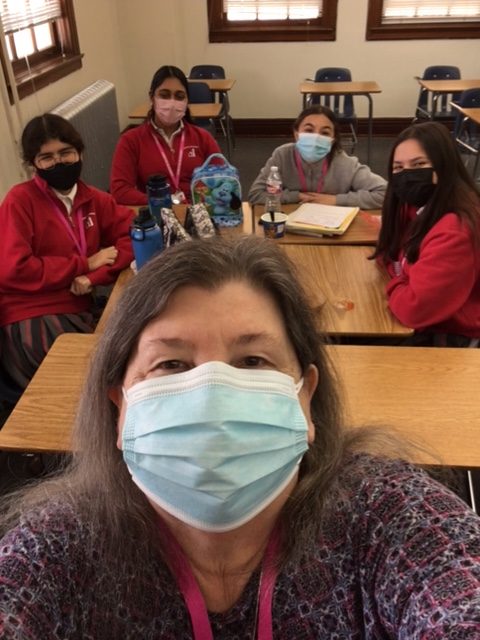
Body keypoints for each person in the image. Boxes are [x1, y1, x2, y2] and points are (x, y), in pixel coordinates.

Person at [0, 235, 479, 638]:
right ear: (120, 407)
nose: (212, 398)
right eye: (171, 364)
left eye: (253, 362)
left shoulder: (388, 519)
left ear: (306, 397)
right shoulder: (58, 549)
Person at [0, 113, 134, 389]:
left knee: (134, 349)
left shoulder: (96, 199)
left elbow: (134, 236)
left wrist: (92, 278)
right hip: (30, 311)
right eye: (46, 158)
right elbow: (14, 270)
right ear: (32, 165)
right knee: (86, 381)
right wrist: (83, 264)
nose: (58, 162)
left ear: (80, 153)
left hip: (78, 303)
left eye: (66, 153)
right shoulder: (20, 200)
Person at [372, 121, 480, 346]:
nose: (407, 175)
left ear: (443, 167)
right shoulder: (415, 204)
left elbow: (414, 309)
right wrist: (405, 279)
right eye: (399, 168)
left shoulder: (455, 229)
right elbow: (387, 255)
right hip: (429, 319)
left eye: (419, 163)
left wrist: (397, 281)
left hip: (454, 334)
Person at [110, 65, 221, 206]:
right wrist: (163, 202)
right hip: (156, 215)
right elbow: (120, 191)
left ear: (187, 101)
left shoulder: (202, 137)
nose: (172, 102)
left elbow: (222, 179)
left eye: (179, 96)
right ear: (152, 97)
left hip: (199, 212)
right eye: (164, 95)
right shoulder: (131, 141)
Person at [248, 105, 387, 209]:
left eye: (325, 133)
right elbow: (255, 194)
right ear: (296, 134)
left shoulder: (345, 163)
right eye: (309, 130)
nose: (315, 137)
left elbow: (386, 193)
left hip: (330, 224)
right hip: (289, 222)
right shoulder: (282, 155)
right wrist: (296, 196)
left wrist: (336, 200)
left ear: (333, 139)